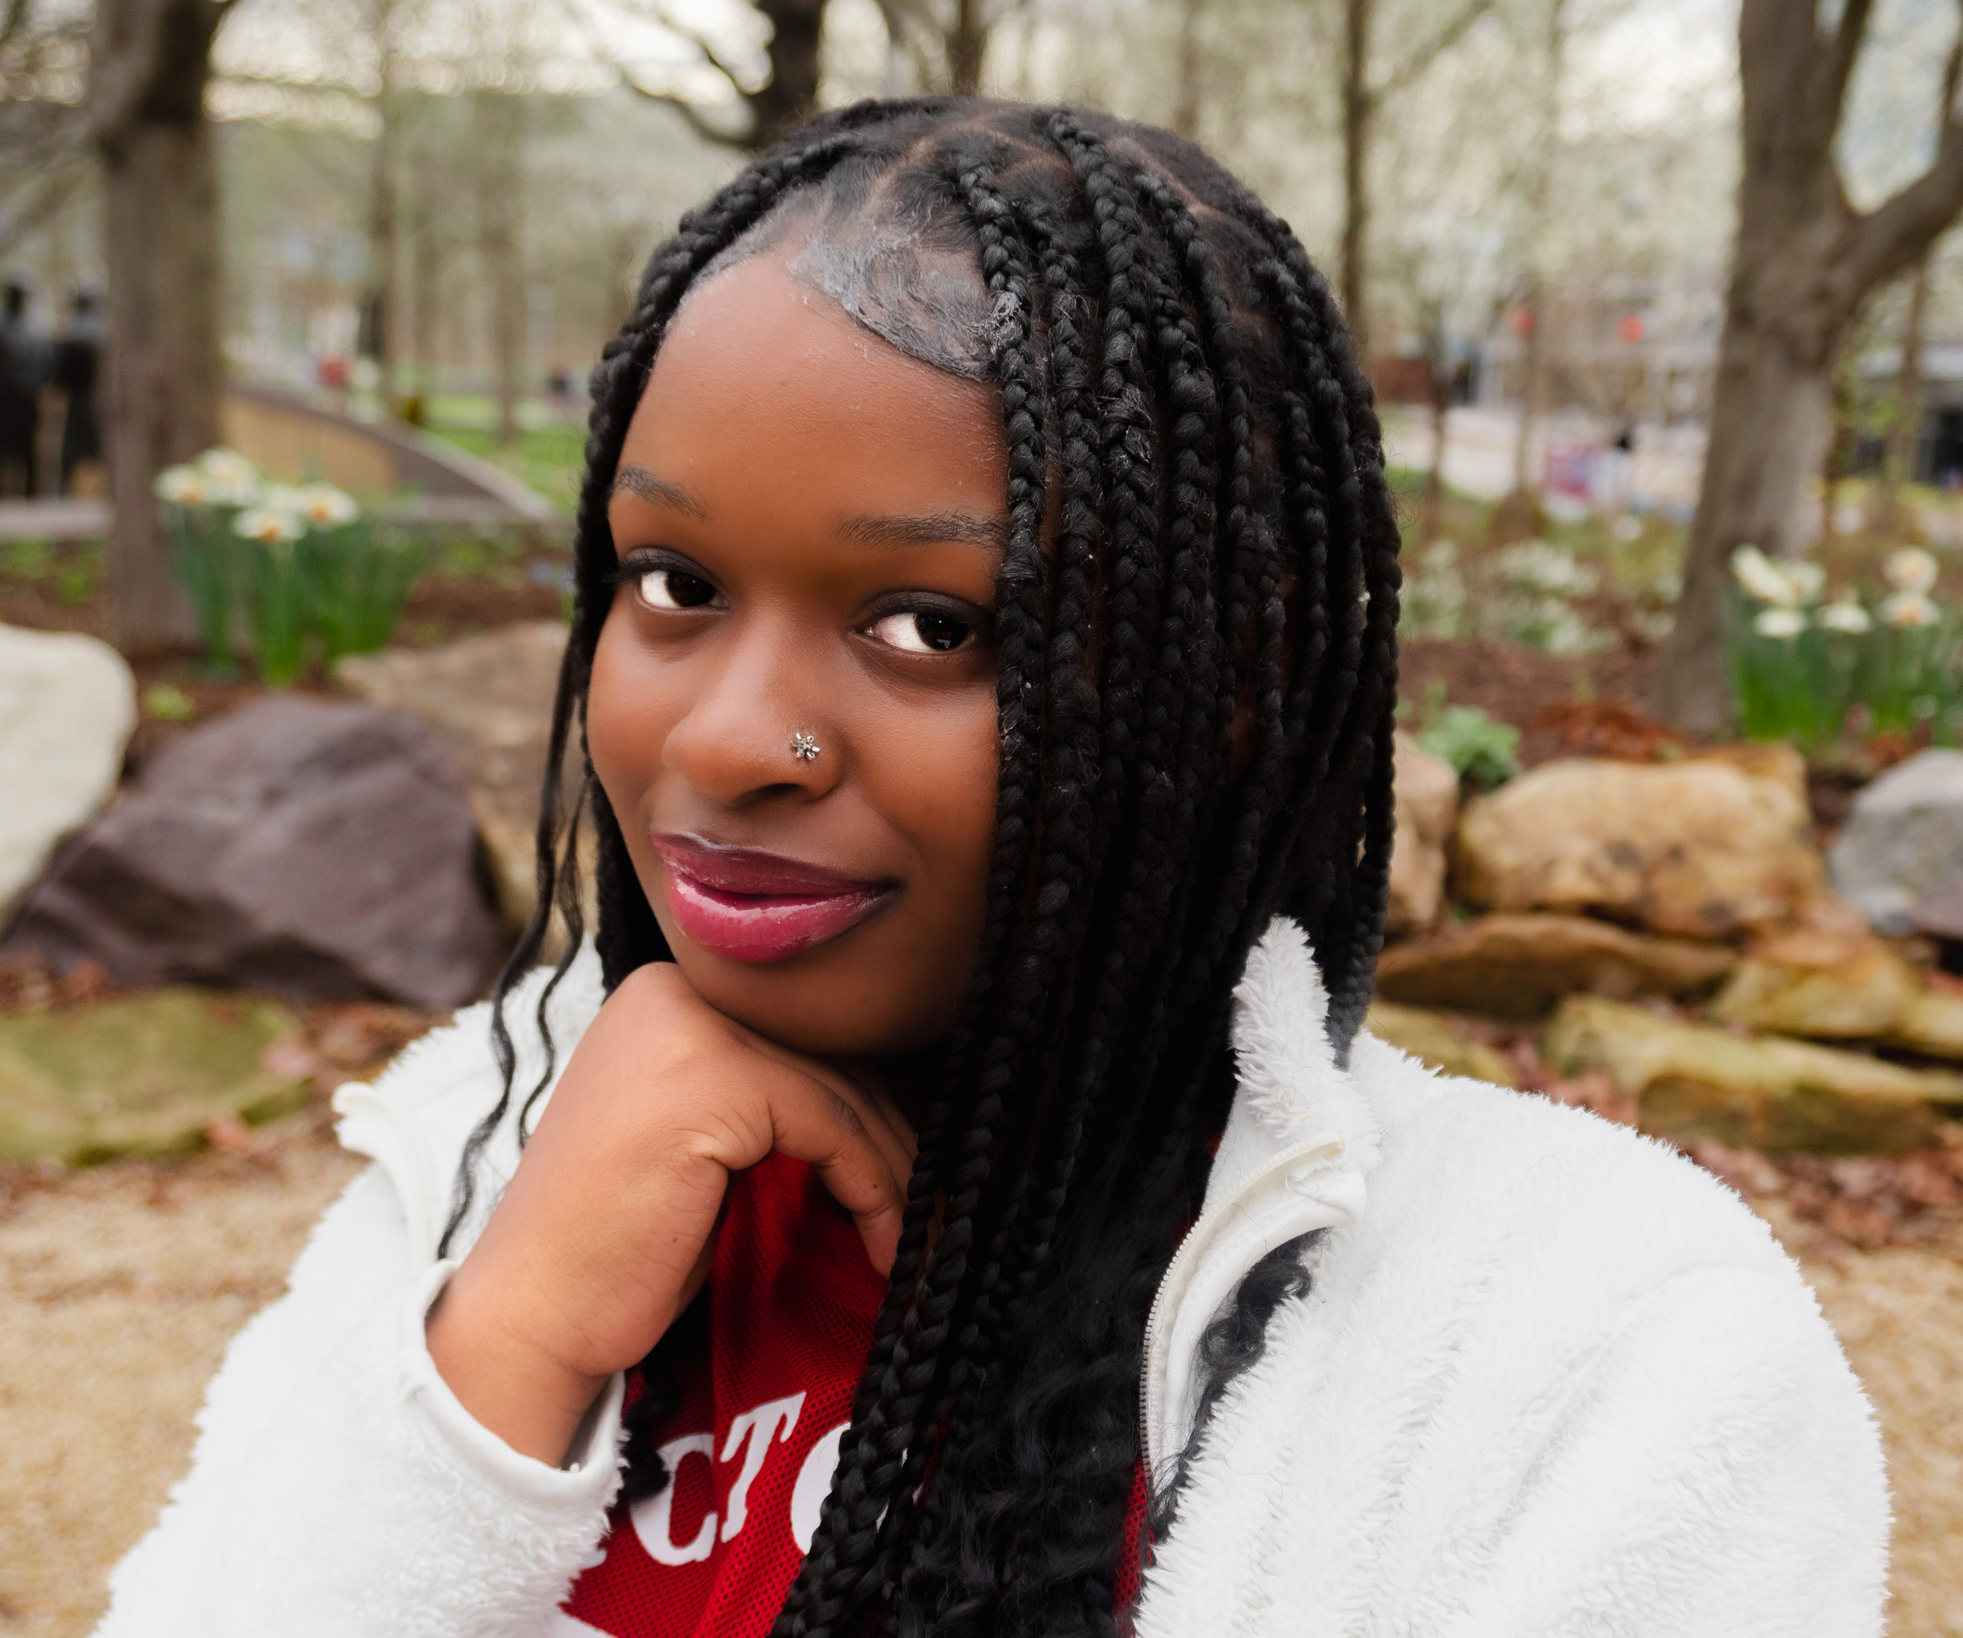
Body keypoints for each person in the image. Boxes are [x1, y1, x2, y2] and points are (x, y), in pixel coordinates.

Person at [96, 100, 1886, 1638]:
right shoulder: (475, 1159)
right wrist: (499, 1356)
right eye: (673, 583)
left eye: (924, 621)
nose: (726, 738)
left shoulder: (1590, 1343)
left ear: (1232, 686)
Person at [0, 276, 50, 499]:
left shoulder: (35, 329)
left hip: (28, 399)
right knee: (0, 449)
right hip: (2, 398)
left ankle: (31, 498)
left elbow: (47, 363)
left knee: (28, 450)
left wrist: (41, 382)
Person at [52, 288, 105, 495]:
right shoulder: (107, 332)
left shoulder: (69, 334)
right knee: (104, 449)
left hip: (77, 400)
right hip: (102, 401)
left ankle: (64, 493)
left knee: (71, 452)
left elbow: (58, 374)